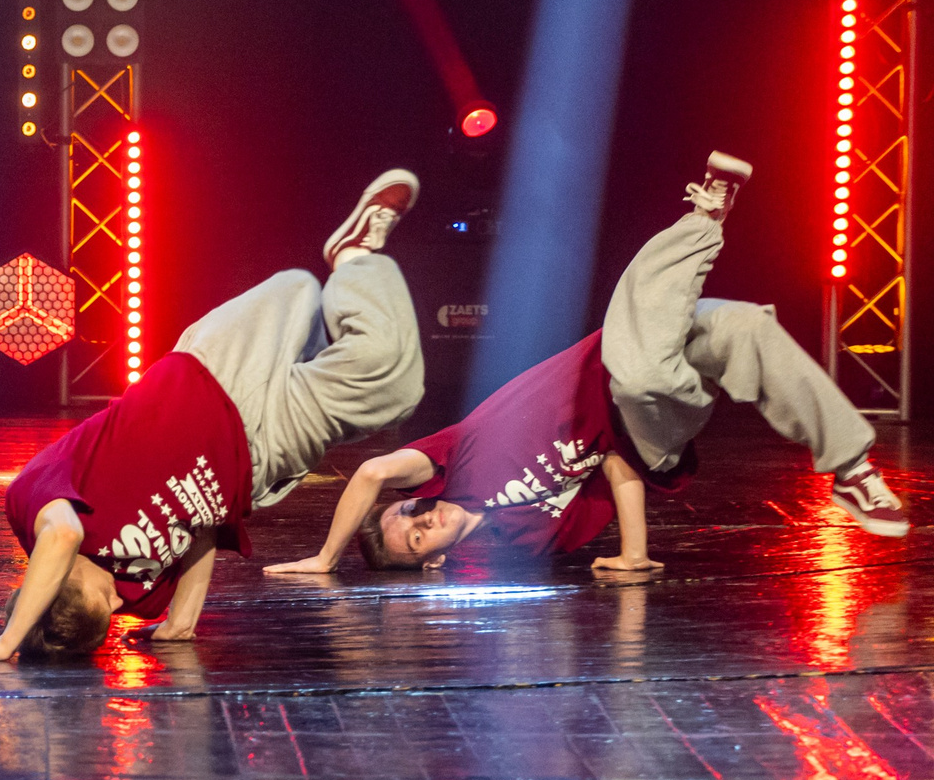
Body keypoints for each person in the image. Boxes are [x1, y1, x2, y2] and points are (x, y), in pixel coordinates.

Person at [268, 153, 907, 580]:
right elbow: (613, 466)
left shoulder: (451, 459)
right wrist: (634, 554)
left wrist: (326, 557)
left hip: (631, 346)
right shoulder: (528, 539)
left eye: (406, 514)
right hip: (648, 429)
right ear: (434, 560)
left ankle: (850, 468)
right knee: (640, 375)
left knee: (744, 327)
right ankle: (703, 219)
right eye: (414, 540)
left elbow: (375, 471)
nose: (419, 520)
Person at [0, 168, 426, 661]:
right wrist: (183, 618)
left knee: (296, 290)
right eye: (115, 613)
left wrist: (6, 642)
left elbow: (65, 536)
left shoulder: (32, 510)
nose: (122, 602)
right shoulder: (138, 596)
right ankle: (356, 256)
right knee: (396, 386)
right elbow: (200, 529)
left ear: (54, 580)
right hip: (259, 451)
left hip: (211, 377)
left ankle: (331, 313)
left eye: (106, 599)